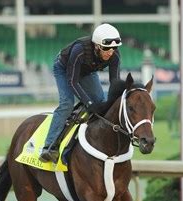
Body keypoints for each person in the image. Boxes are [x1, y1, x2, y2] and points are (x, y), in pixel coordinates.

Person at [40, 23, 122, 163]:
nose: (110, 52)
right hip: (64, 69)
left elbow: (115, 82)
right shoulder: (80, 50)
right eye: (106, 48)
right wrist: (88, 102)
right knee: (67, 104)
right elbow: (72, 81)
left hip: (87, 71)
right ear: (96, 46)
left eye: (114, 48)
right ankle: (49, 147)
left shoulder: (114, 55)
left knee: (100, 102)